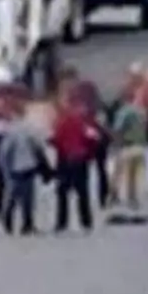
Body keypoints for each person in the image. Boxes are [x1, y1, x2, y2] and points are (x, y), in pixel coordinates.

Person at [52, 94, 103, 233]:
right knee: (83, 192)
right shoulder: (83, 123)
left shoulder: (62, 122)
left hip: (65, 160)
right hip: (81, 160)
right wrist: (89, 154)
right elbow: (94, 138)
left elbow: (56, 139)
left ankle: (61, 222)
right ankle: (86, 221)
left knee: (62, 192)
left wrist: (60, 149)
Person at [0, 101, 50, 235]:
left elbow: (5, 152)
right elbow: (38, 147)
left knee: (12, 197)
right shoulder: (29, 128)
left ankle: (8, 222)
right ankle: (27, 225)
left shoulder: (10, 130)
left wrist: (5, 169)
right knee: (29, 199)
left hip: (15, 168)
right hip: (29, 167)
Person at [107, 89, 148, 224]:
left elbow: (117, 129)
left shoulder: (123, 112)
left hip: (127, 146)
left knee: (119, 173)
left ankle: (115, 196)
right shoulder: (141, 111)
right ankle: (133, 198)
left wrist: (115, 144)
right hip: (140, 146)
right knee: (135, 174)